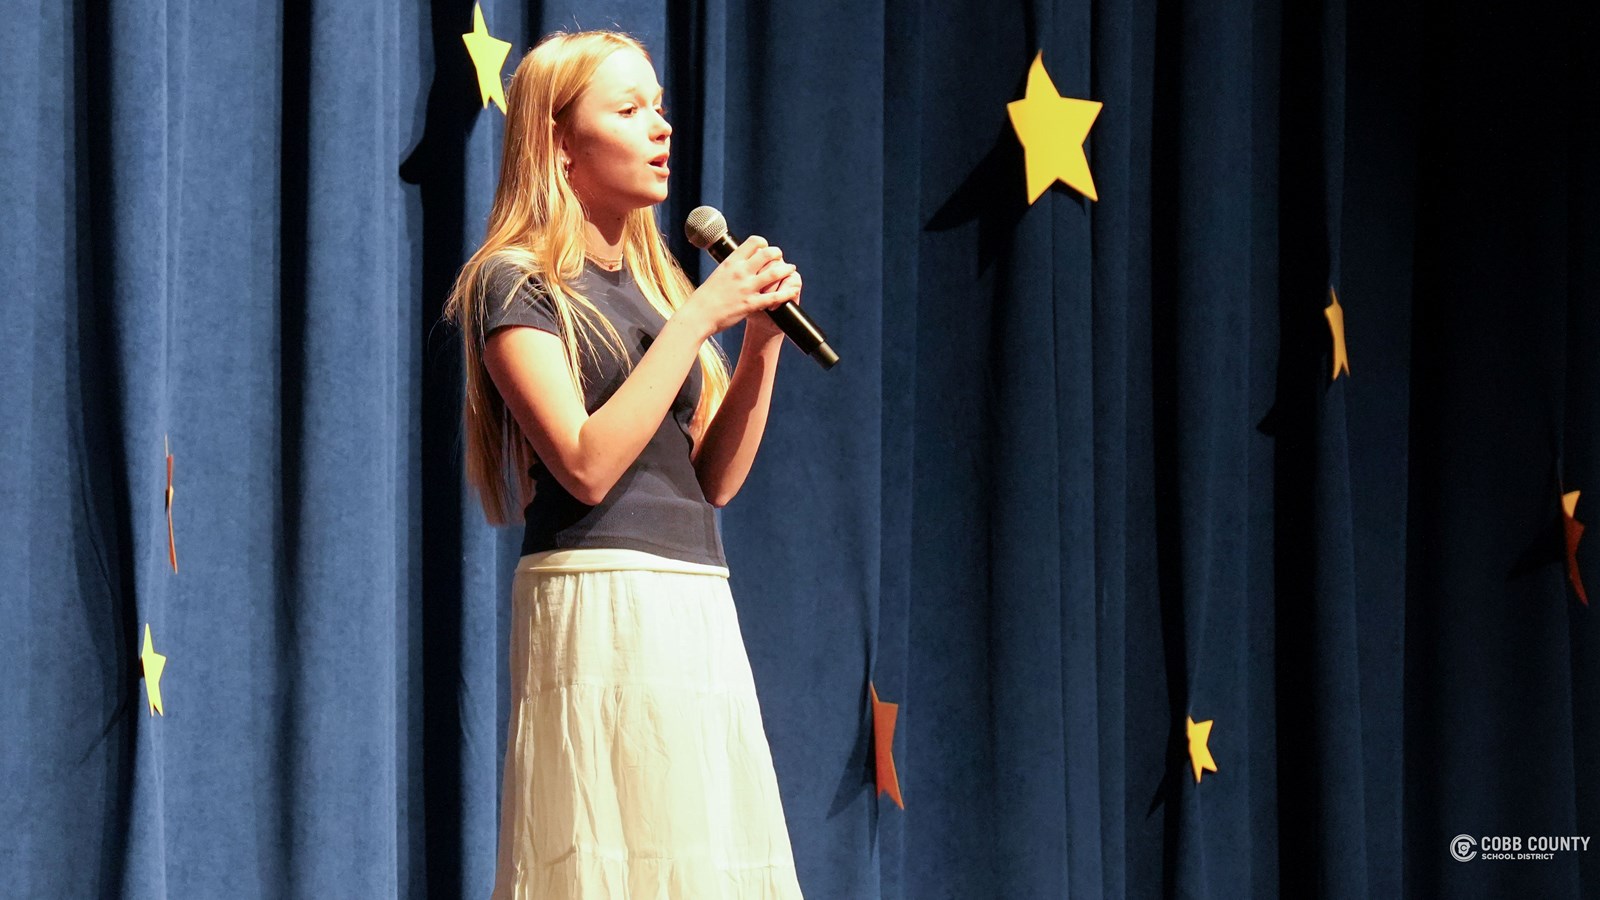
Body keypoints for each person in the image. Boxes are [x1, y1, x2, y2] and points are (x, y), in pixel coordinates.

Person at [443, 29, 806, 900]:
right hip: (598, 597)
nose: (661, 127)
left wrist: (760, 344)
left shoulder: (660, 288)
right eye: (630, 109)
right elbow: (585, 464)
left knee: (700, 857)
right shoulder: (514, 283)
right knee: (612, 857)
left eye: (661, 107)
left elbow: (714, 480)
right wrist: (699, 320)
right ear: (561, 144)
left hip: (694, 595)